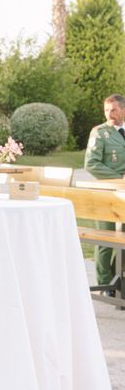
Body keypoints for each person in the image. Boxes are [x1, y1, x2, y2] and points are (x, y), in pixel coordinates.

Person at [84, 94, 125, 294]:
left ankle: (120, 280)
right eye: (106, 110)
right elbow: (91, 164)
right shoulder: (99, 133)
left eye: (114, 110)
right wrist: (119, 177)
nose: (109, 114)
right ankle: (105, 284)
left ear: (123, 110)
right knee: (106, 241)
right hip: (107, 194)